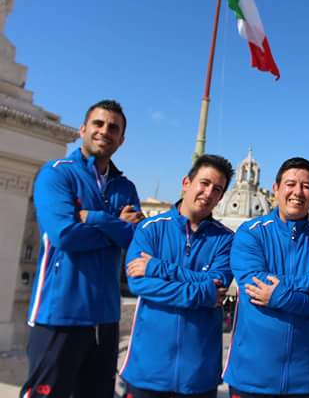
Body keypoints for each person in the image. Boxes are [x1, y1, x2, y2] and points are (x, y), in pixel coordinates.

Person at [21, 99, 144, 398]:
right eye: (98, 124)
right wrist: (115, 225)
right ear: (82, 129)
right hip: (59, 313)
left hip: (104, 318)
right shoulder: (57, 173)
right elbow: (65, 235)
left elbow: (135, 239)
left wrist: (96, 218)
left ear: (122, 139)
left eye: (113, 127)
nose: (105, 131)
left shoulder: (125, 187)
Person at [119, 154, 235, 398]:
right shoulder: (150, 228)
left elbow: (217, 287)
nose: (208, 192)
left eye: (217, 189)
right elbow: (138, 284)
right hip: (148, 370)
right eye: (204, 183)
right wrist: (201, 291)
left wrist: (158, 268)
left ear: (221, 197)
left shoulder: (226, 240)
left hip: (198, 375)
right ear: (186, 182)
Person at [223, 157, 309, 398]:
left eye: (306, 186)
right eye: (290, 184)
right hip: (250, 379)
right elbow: (255, 287)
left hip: (304, 380)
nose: (298, 192)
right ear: (276, 189)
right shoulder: (250, 233)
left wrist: (278, 293)